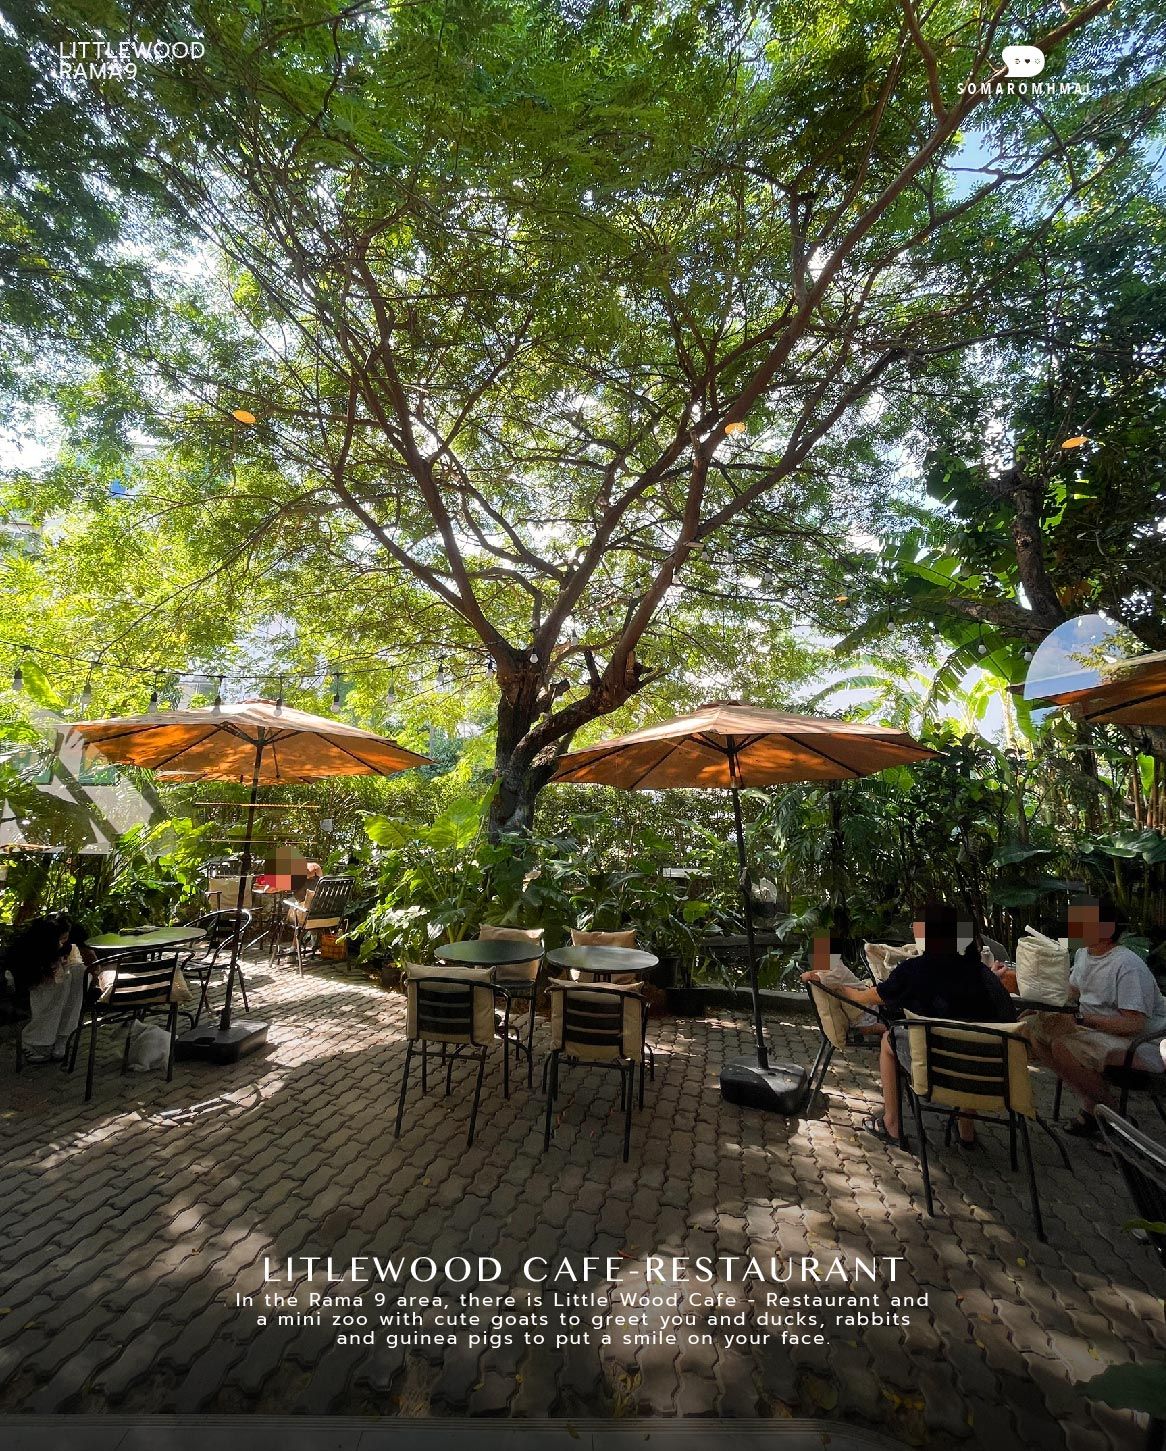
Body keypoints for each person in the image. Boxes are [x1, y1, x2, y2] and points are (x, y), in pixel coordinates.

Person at [805, 902, 1016, 1147]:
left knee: (889, 1039)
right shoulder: (985, 976)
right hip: (991, 1079)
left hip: (937, 1073)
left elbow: (868, 997)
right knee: (972, 1032)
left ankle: (891, 1124)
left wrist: (840, 989)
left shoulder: (916, 970)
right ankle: (966, 1130)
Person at [1025, 896, 1166, 1138]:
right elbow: (1072, 990)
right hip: (1100, 1032)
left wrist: (1081, 1019)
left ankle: (1117, 1120)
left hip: (1143, 1043)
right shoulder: (1084, 954)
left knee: (1064, 1046)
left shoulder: (1127, 964)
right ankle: (1092, 1107)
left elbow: (1134, 1023)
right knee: (1035, 1032)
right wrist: (1039, 1002)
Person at [4, 915, 92, 1063]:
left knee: (79, 974)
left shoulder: (72, 934)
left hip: (55, 973)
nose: (63, 942)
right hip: (31, 980)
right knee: (57, 991)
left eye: (65, 938)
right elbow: (27, 975)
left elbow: (86, 955)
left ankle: (63, 1036)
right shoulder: (30, 949)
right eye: (60, 939)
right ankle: (37, 1040)